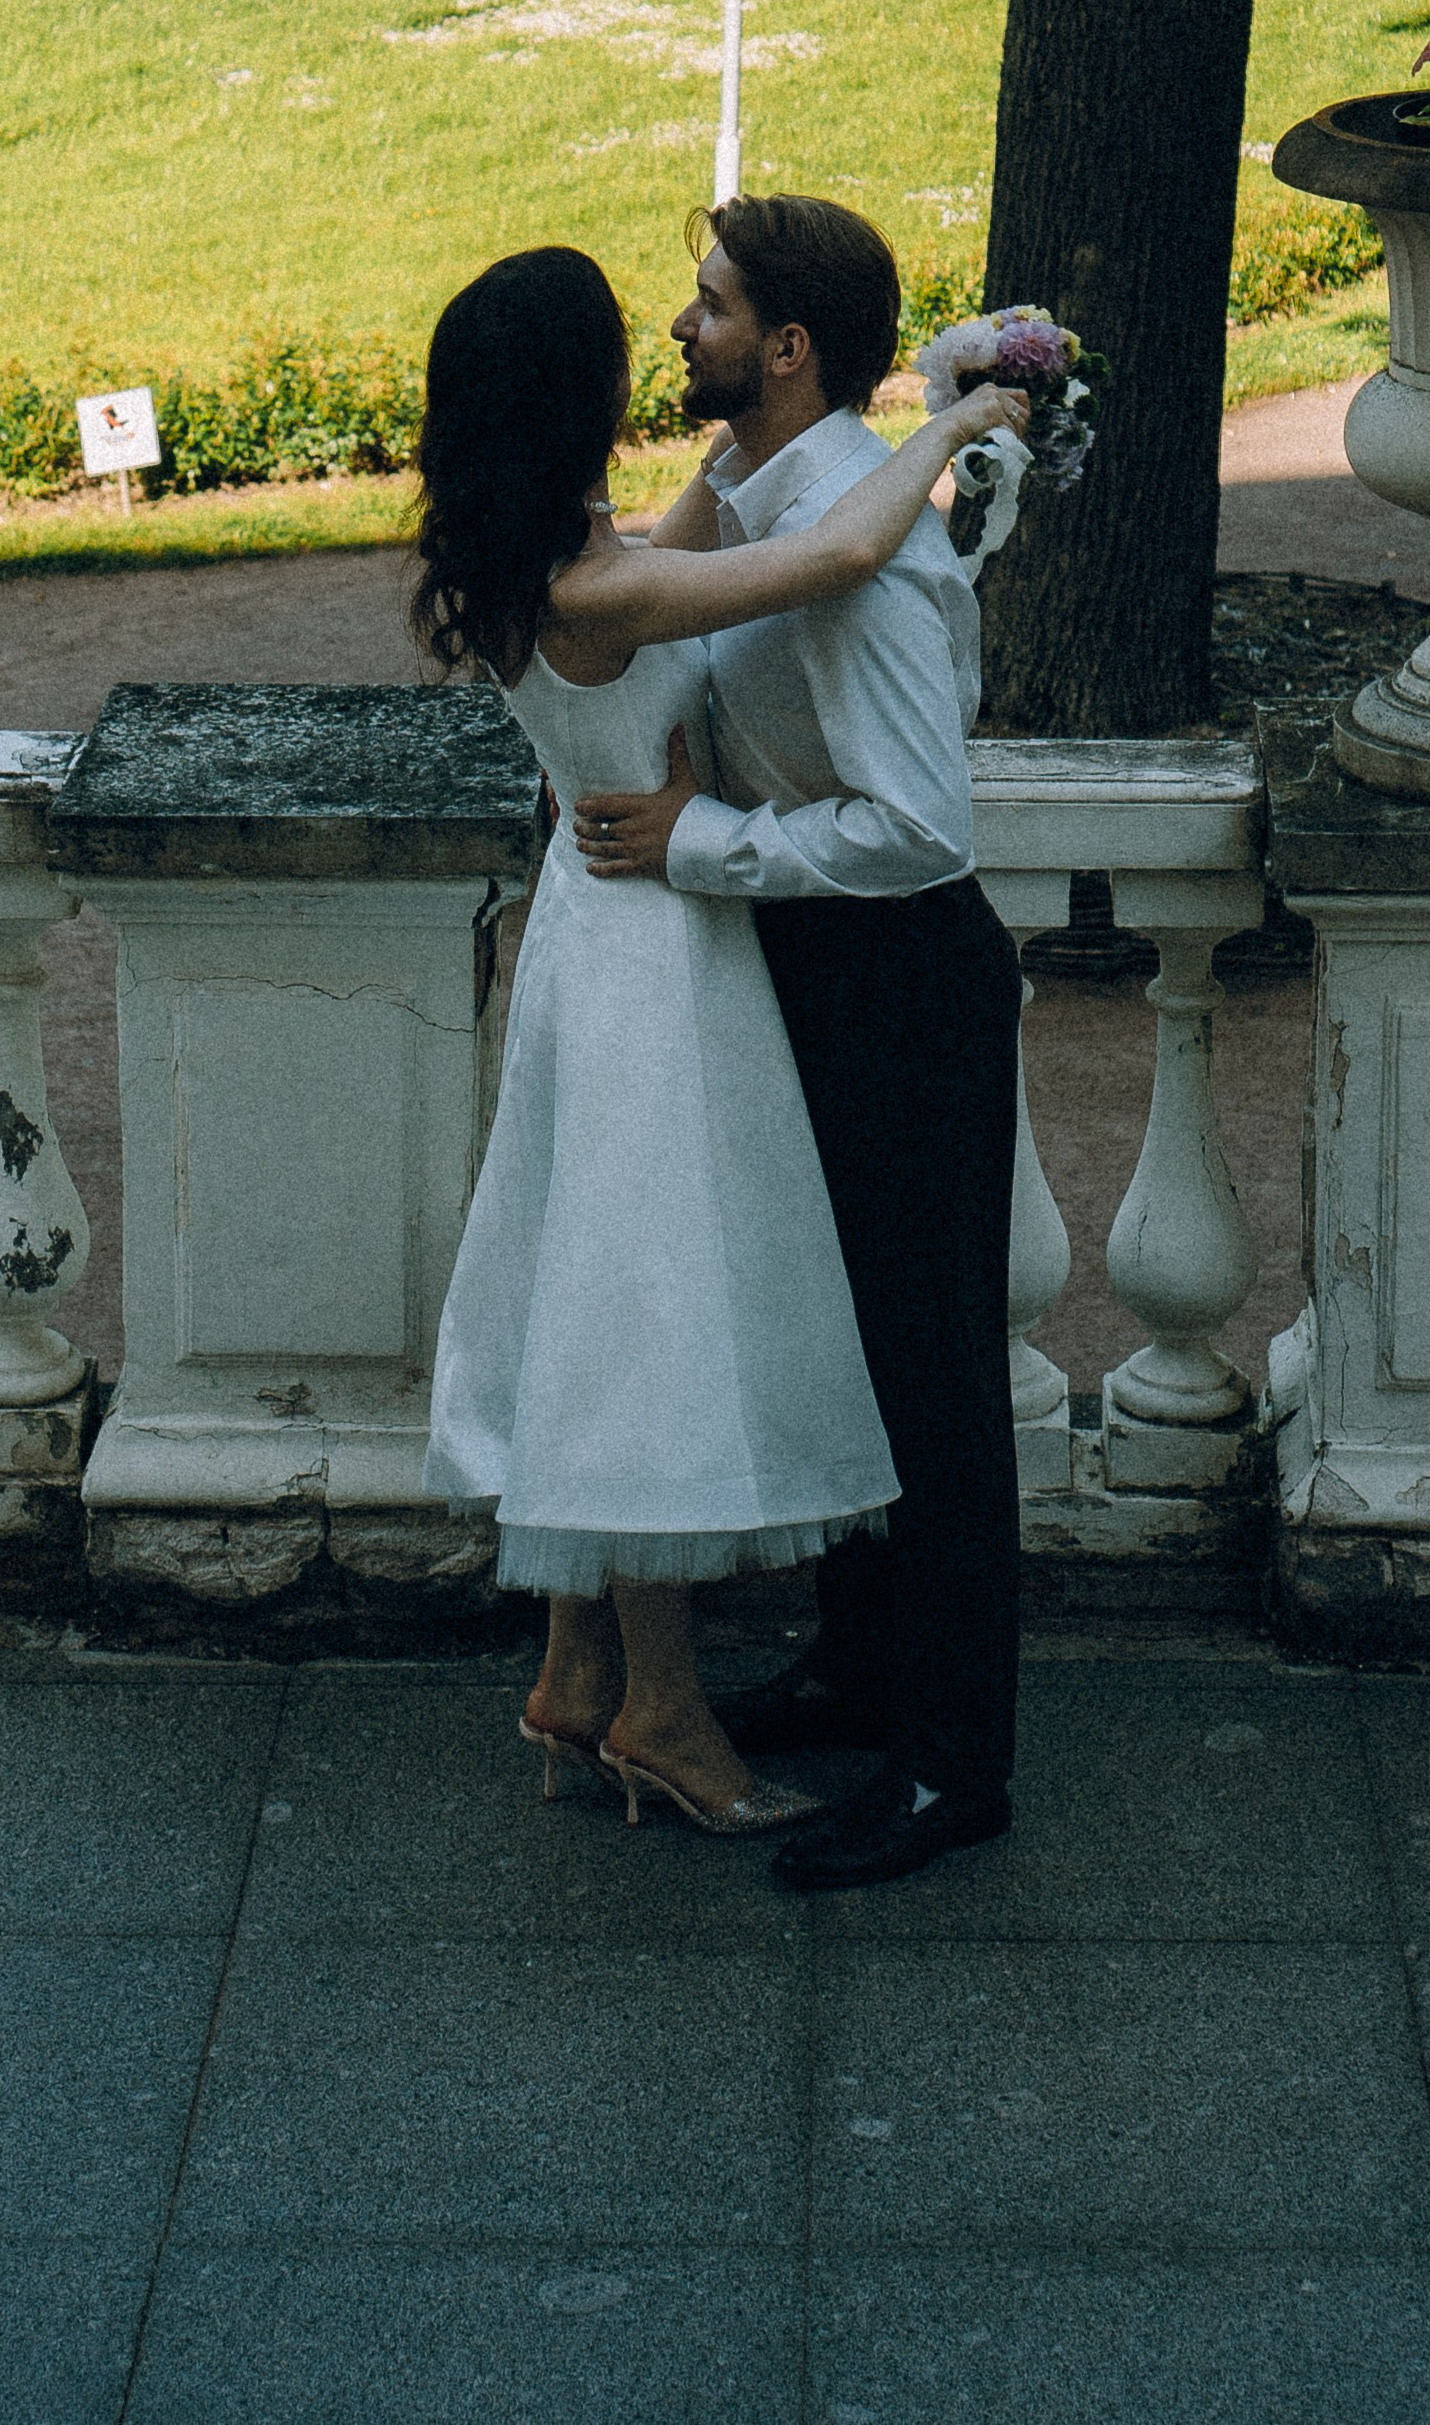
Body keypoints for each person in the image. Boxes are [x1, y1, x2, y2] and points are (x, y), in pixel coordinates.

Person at [415, 243, 1025, 1837]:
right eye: (640, 334)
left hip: (624, 932)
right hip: (659, 951)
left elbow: (753, 511)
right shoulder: (594, 579)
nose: (671, 337)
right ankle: (676, 1713)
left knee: (639, 1304)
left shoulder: (543, 548)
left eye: (706, 307)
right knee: (655, 1317)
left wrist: (821, 422)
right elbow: (826, 560)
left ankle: (609, 1682)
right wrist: (947, 429)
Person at [575, 193, 1030, 1890]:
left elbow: (923, 825)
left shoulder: (865, 531)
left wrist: (703, 850)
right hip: (818, 973)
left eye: (705, 307)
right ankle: (861, 1669)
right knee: (840, 1345)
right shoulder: (781, 495)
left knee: (933, 1385)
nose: (677, 327)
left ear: (785, 348)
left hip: (901, 982)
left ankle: (953, 1768)